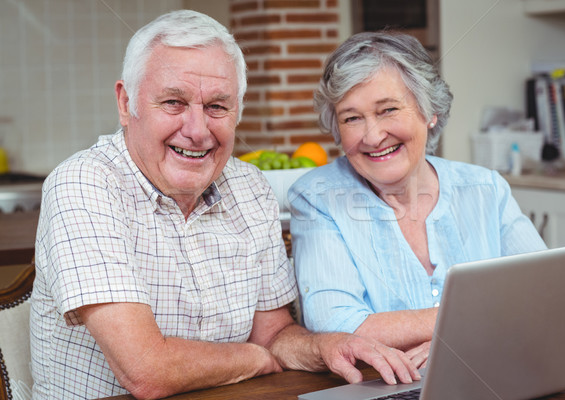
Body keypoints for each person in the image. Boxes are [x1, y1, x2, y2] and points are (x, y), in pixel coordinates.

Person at [30, 12, 421, 400]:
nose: (197, 130)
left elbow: (273, 334)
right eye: (173, 102)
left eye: (217, 106)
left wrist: (325, 347)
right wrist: (253, 358)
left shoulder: (248, 187)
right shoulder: (83, 184)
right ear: (125, 102)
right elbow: (147, 370)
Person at [288, 31, 563, 368]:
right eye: (352, 118)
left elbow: (562, 313)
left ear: (429, 111)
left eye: (388, 109)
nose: (373, 136)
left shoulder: (485, 189)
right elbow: (336, 326)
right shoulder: (317, 196)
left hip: (494, 376)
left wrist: (471, 341)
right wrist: (469, 328)